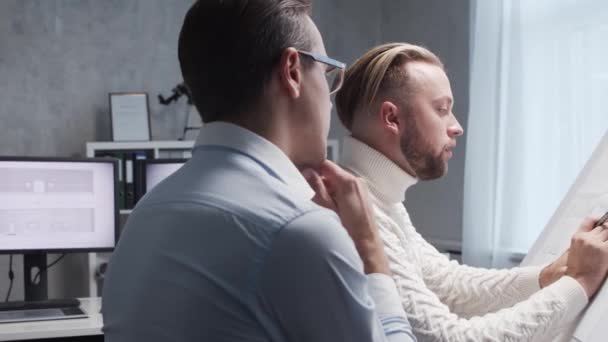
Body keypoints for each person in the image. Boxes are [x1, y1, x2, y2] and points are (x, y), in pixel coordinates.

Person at [102, 2, 417, 341]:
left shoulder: (146, 213)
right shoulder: (298, 229)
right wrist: (369, 246)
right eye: (327, 74)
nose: (329, 99)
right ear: (293, 71)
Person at [333, 42, 608, 342]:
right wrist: (580, 281)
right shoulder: (358, 212)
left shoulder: (380, 200)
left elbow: (451, 285)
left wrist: (551, 274)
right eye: (441, 110)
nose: (457, 127)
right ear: (392, 118)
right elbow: (451, 339)